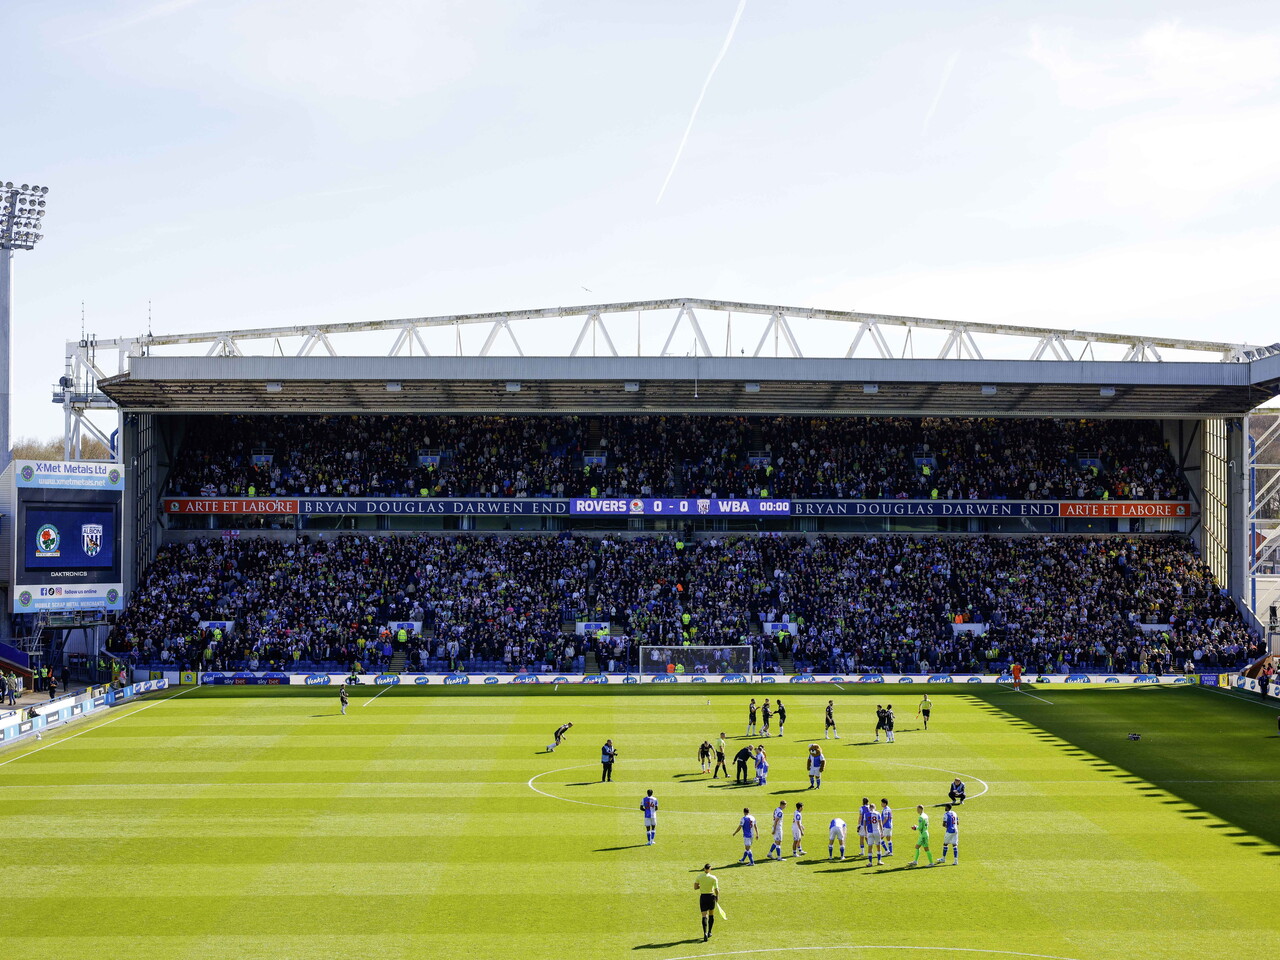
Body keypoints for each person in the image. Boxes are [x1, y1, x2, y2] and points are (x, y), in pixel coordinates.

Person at [694, 863, 719, 942]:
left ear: (704, 869)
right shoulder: (713, 878)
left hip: (703, 897)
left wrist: (701, 886)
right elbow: (716, 889)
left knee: (704, 915)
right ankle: (709, 932)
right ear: (710, 869)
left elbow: (695, 887)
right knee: (711, 914)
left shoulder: (699, 877)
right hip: (711, 897)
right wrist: (717, 896)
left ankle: (704, 933)